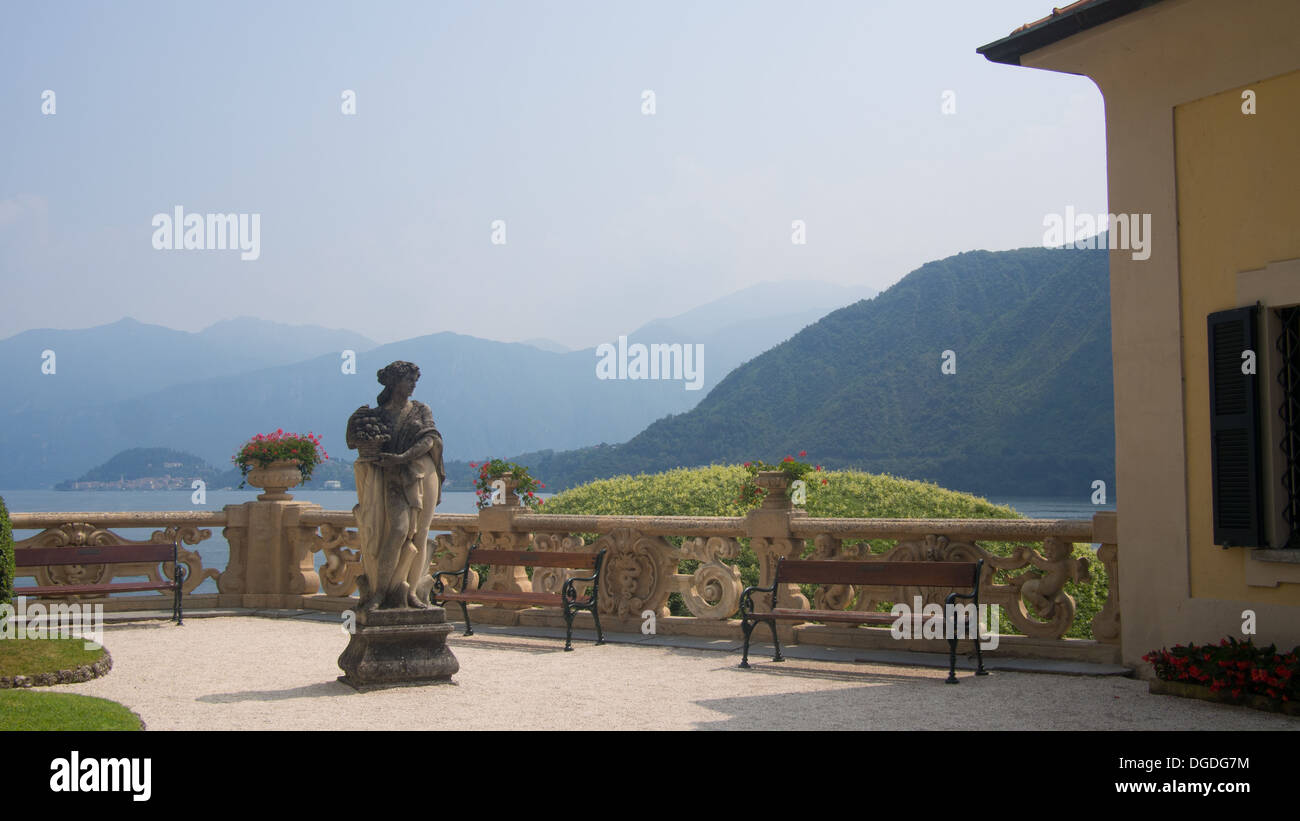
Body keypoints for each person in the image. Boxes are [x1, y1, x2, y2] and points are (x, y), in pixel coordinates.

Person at [346, 361, 446, 610]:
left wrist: (402, 457)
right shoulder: (378, 414)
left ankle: (411, 591)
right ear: (393, 382)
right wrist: (353, 421)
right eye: (408, 380)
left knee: (420, 535)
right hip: (391, 478)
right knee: (399, 530)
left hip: (422, 473)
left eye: (414, 380)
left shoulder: (421, 409)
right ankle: (381, 591)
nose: (412, 385)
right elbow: (352, 442)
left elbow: (431, 439)